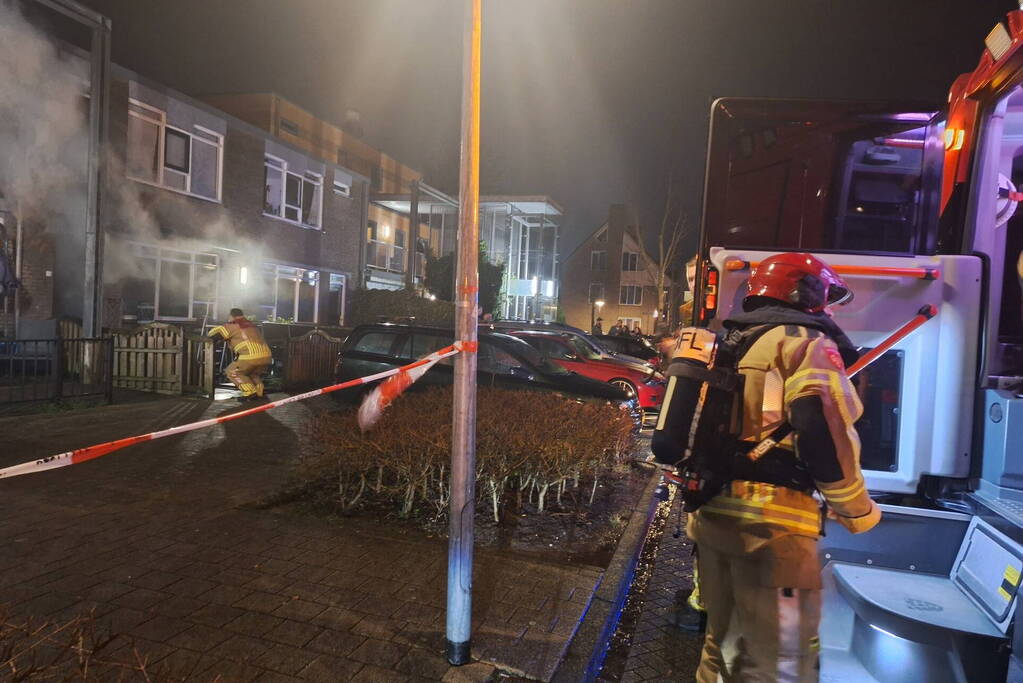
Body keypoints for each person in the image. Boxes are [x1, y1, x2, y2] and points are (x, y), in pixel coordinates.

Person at [687, 252, 880, 682]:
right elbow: (820, 427)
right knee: (781, 663)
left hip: (714, 517)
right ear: (806, 294)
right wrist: (858, 512)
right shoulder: (807, 343)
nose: (828, 308)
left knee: (723, 646)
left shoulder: (731, 342)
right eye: (826, 296)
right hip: (773, 533)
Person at [208, 308, 273, 402]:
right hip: (267, 356)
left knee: (232, 372)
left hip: (251, 356)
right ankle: (260, 392)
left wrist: (215, 330)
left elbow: (213, 334)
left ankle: (250, 392)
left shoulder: (231, 326)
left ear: (231, 316)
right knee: (253, 374)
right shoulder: (252, 325)